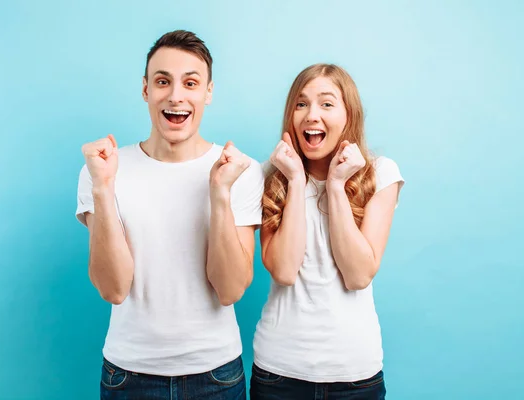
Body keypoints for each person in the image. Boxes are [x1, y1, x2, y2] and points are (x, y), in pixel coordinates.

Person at [76, 30, 264, 399]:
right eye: (163, 81)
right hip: (129, 375)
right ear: (146, 89)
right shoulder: (102, 169)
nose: (176, 95)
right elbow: (112, 288)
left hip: (216, 376)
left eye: (190, 83)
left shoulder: (239, 170)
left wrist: (220, 193)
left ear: (208, 92)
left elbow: (230, 289)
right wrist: (103, 188)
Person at [250, 63, 404, 399]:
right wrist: (294, 180)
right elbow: (285, 271)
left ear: (349, 115)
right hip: (279, 374)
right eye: (301, 104)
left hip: (355, 375)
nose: (311, 115)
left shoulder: (380, 173)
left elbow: (358, 274)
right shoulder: (269, 176)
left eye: (327, 104)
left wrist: (335, 186)